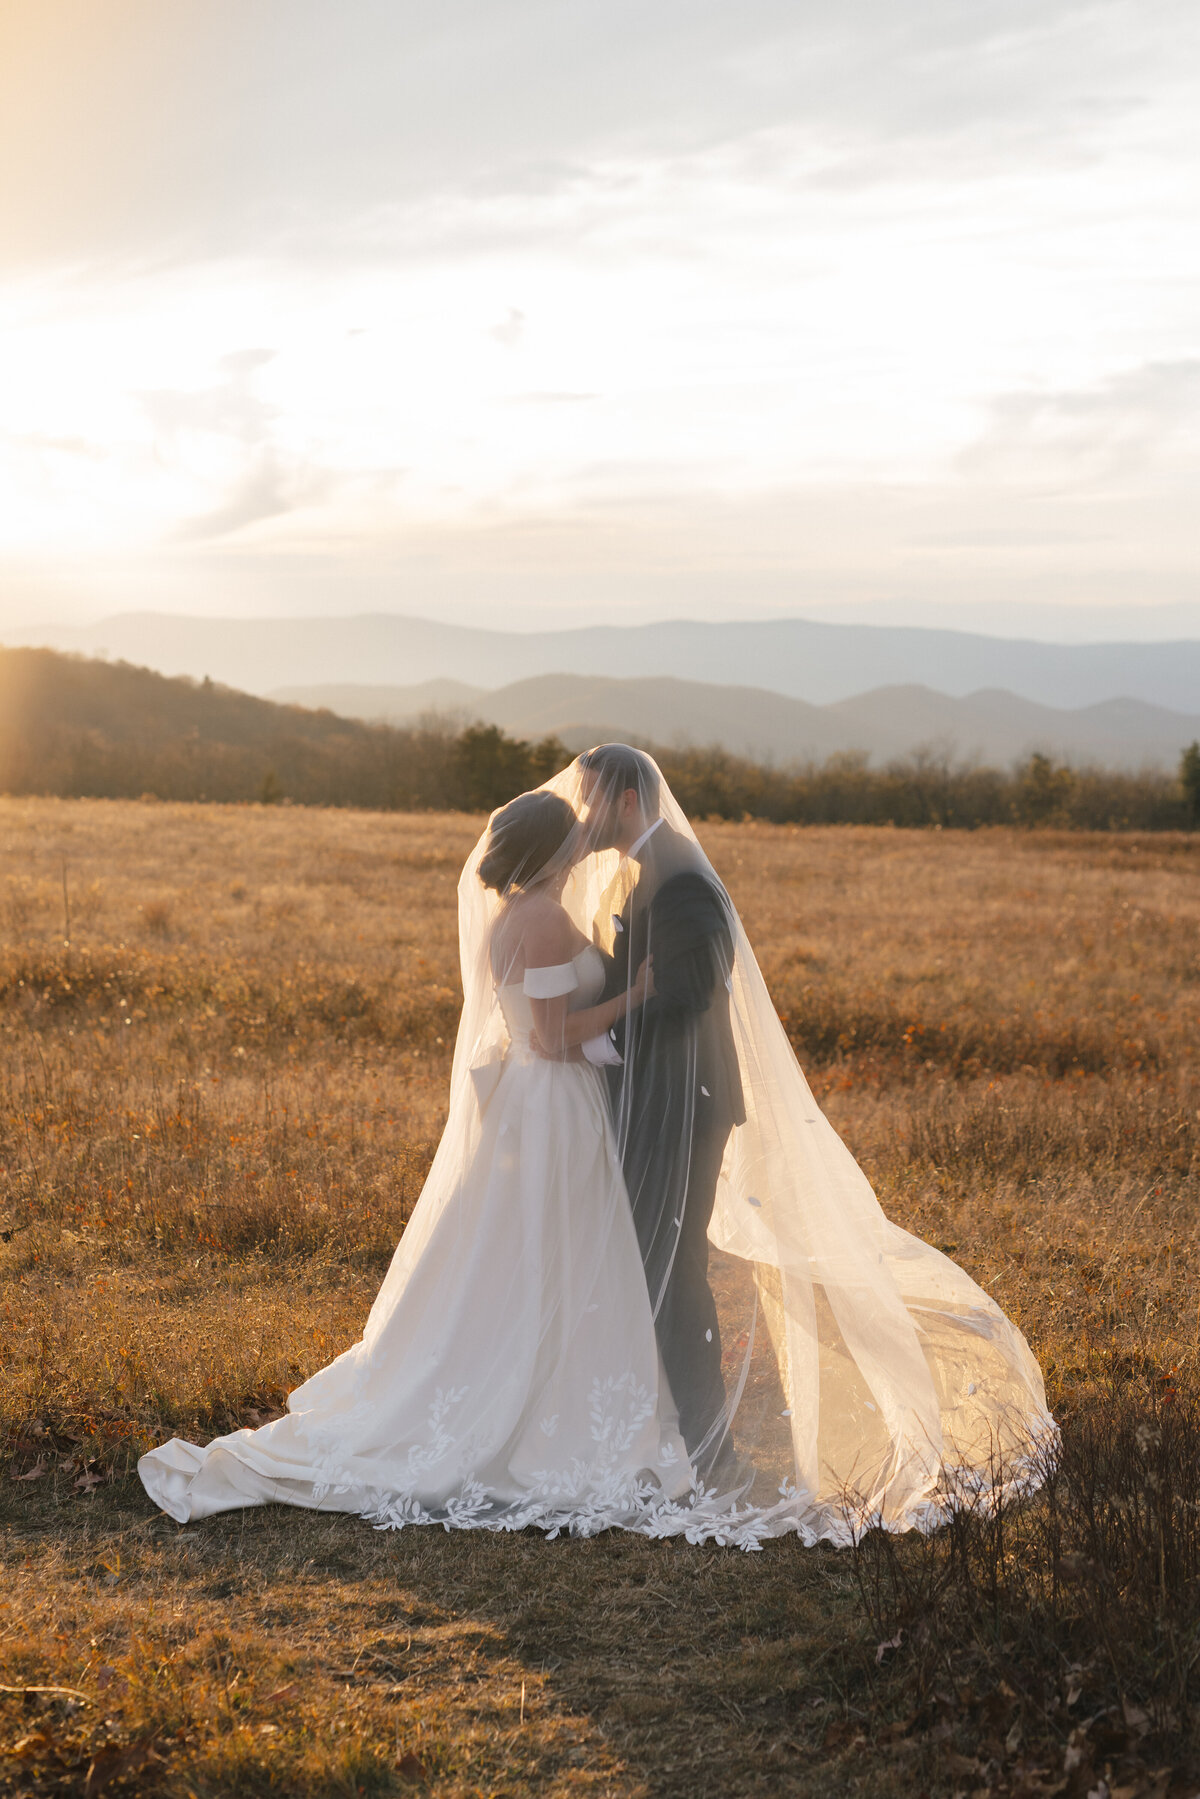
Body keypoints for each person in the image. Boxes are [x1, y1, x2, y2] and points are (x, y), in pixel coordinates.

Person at [140, 753, 1055, 1549]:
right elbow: (548, 1034)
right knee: (580, 1259)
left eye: (590, 809)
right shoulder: (539, 917)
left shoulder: (652, 887)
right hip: (556, 1105)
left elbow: (665, 994)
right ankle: (630, 1426)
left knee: (589, 1260)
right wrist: (630, 994)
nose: (583, 833)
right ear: (544, 853)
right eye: (568, 828)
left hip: (591, 1110)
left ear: (622, 797)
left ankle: (633, 1417)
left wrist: (632, 999)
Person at [567, 744, 745, 1485]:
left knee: (678, 1273)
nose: (584, 815)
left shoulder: (681, 883)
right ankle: (685, 1436)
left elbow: (687, 993)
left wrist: (604, 1043)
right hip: (663, 1101)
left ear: (629, 800)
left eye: (592, 799)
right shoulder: (652, 870)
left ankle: (713, 1452)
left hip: (687, 1104)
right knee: (657, 1266)